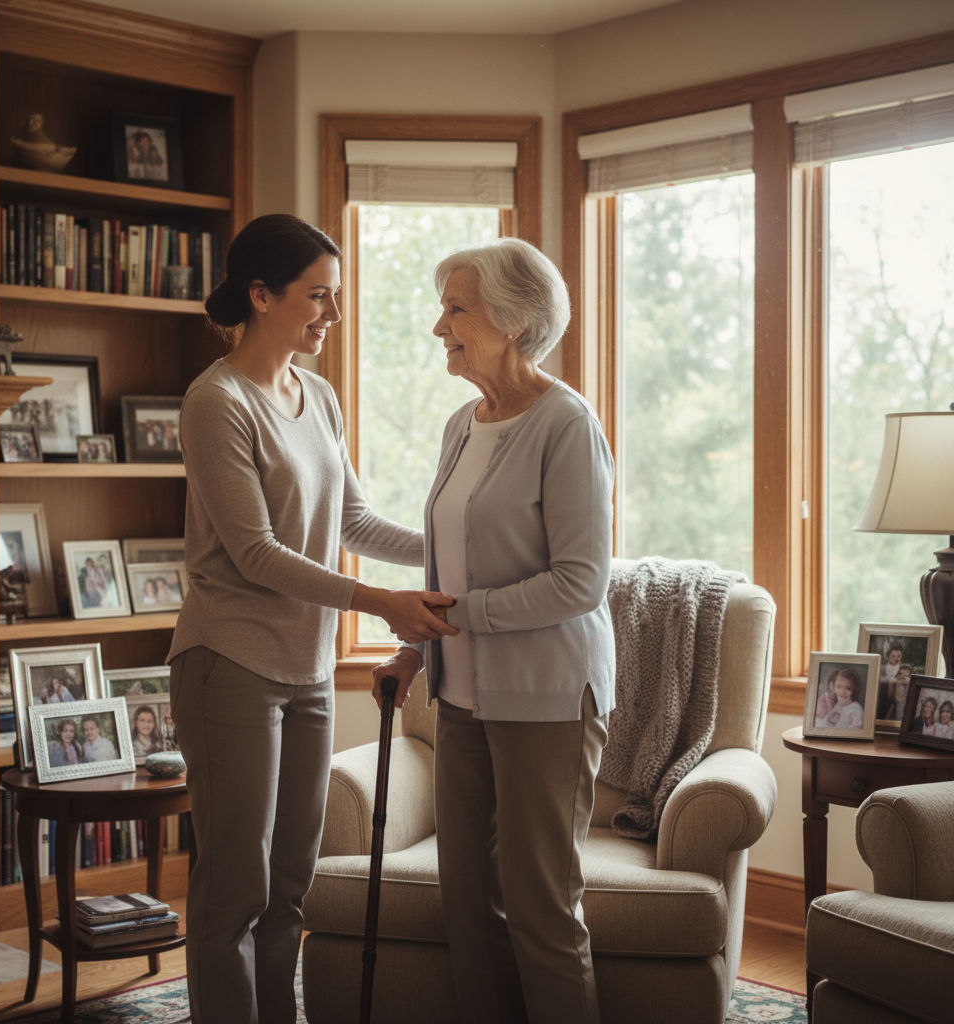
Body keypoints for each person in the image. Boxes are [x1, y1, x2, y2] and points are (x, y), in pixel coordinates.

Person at [166, 213, 457, 1024]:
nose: (331, 313)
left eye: (335, 297)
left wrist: (455, 551)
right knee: (236, 885)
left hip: (306, 672)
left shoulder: (316, 393)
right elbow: (256, 553)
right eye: (317, 297)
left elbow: (355, 522)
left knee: (291, 879)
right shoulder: (215, 402)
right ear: (261, 295)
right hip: (229, 664)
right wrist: (383, 603)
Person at [372, 238, 615, 1024]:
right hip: (461, 698)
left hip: (547, 697)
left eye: (456, 309)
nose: (439, 327)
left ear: (512, 321)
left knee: (541, 908)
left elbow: (582, 581)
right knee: (466, 906)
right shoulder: (460, 425)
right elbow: (451, 558)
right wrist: (414, 649)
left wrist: (460, 621)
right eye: (444, 308)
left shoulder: (566, 425)